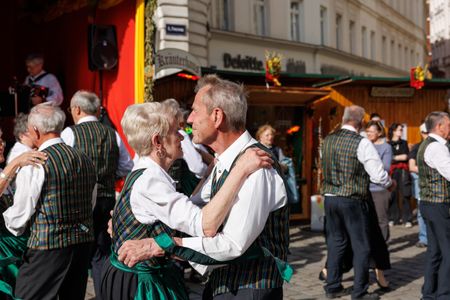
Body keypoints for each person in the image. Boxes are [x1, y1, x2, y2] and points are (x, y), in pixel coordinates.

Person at [117, 74, 290, 300]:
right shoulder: (226, 161)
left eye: (195, 111)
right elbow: (194, 212)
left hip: (250, 287)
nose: (189, 121)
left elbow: (232, 244)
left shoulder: (256, 164)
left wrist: (159, 245)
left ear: (217, 116)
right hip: (226, 284)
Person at [3, 104, 97, 300]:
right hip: (82, 243)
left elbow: (19, 217)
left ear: (36, 130)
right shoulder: (85, 159)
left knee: (26, 296)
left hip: (47, 247)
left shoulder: (35, 164)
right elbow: (91, 201)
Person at [61, 90, 133, 296]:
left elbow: (63, 167)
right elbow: (127, 167)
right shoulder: (113, 134)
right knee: (101, 254)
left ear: (76, 109)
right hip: (107, 201)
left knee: (79, 255)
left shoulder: (69, 133)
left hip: (80, 203)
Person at [321, 105, 395, 300]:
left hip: (330, 198)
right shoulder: (361, 143)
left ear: (345, 119)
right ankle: (359, 291)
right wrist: (390, 183)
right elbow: (378, 175)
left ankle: (332, 286)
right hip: (352, 199)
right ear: (361, 122)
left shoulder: (328, 140)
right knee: (361, 246)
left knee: (336, 243)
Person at [0, 129, 47, 299]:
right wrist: (15, 163)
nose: (2, 145)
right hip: (3, 249)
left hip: (14, 241)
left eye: (2, 139)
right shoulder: (9, 167)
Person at [417, 112, 450, 299]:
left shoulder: (426, 144)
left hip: (428, 203)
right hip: (438, 205)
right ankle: (444, 294)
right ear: (439, 126)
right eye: (449, 125)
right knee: (447, 252)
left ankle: (429, 293)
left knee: (435, 251)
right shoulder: (437, 148)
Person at [366, 120, 393, 241]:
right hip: (365, 188)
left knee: (381, 219)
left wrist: (369, 166)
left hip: (379, 189)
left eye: (372, 131)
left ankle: (382, 245)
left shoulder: (386, 147)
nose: (369, 134)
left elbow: (385, 167)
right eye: (367, 131)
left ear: (379, 132)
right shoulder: (365, 145)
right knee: (368, 219)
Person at [388, 123, 412, 228]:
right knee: (393, 195)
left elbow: (406, 156)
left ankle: (407, 219)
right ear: (393, 131)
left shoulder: (404, 143)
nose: (401, 131)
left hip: (403, 171)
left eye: (402, 130)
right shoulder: (388, 144)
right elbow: (388, 158)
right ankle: (394, 218)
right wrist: (399, 157)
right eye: (399, 129)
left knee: (405, 194)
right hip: (392, 172)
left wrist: (395, 158)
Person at [408, 123, 428, 248]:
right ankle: (424, 238)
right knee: (422, 211)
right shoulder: (417, 147)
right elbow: (411, 167)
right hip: (421, 181)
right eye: (425, 132)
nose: (427, 135)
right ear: (421, 133)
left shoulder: (440, 146)